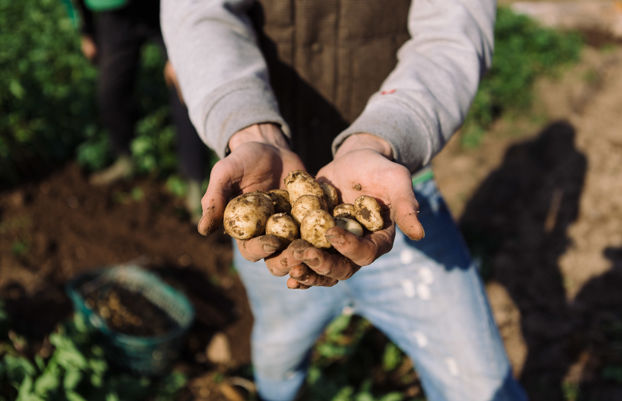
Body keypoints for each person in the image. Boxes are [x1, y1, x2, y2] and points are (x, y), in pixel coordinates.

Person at [162, 0, 528, 400]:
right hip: (264, 185)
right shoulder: (276, 211)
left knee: (480, 385)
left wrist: (385, 136)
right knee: (277, 358)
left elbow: (452, 31)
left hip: (392, 186)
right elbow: (199, 13)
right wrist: (251, 130)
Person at [74, 0, 207, 221]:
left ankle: (195, 182)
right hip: (112, 14)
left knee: (183, 86)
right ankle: (125, 159)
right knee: (111, 91)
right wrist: (85, 29)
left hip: (162, 7)